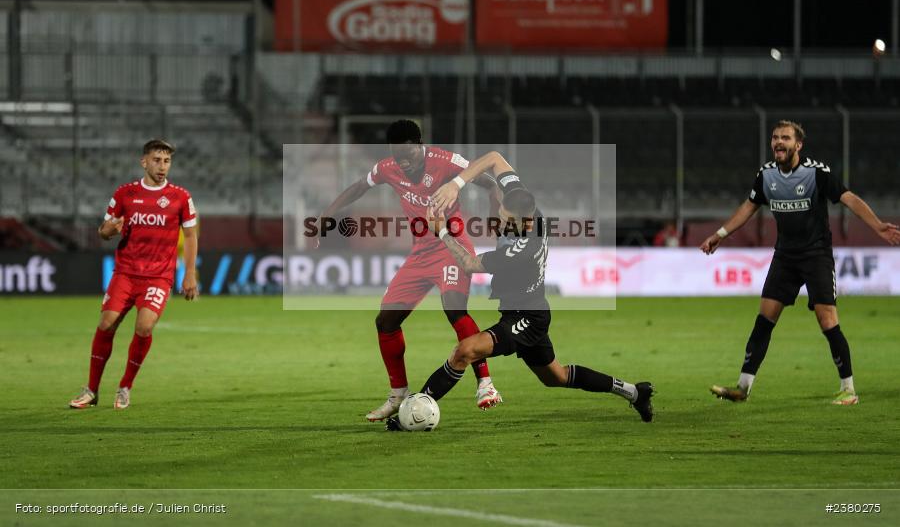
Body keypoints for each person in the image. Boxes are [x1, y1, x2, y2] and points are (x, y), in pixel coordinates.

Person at [388, 151, 655, 430]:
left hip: (525, 317)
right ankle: (635, 392)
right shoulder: (522, 201)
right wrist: (457, 184)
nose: (501, 223)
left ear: (526, 223)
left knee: (465, 351)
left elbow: (468, 264)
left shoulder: (521, 251)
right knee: (557, 377)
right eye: (502, 215)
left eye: (507, 221)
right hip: (530, 310)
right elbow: (494, 158)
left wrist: (442, 231)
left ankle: (412, 414)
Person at [313, 120, 503, 421]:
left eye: (409, 156)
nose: (404, 163)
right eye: (398, 156)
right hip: (421, 253)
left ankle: (485, 384)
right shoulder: (388, 168)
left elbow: (489, 181)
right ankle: (398, 394)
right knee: (385, 321)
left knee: (455, 309)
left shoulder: (446, 161)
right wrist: (327, 214)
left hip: (451, 245)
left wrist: (494, 207)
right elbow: (359, 186)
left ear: (420, 146)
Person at [700, 120, 900, 405]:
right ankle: (742, 388)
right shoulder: (766, 175)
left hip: (816, 255)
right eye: (775, 137)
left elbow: (849, 199)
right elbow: (749, 206)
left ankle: (849, 389)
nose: (778, 142)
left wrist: (878, 226)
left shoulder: (816, 173)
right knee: (764, 319)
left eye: (785, 137)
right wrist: (719, 234)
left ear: (798, 144)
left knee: (827, 320)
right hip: (785, 256)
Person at [69, 139, 199, 410]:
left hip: (159, 276)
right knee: (106, 324)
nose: (162, 166)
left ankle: (125, 387)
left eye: (167, 161)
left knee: (144, 327)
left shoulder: (180, 197)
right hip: (126, 273)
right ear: (144, 162)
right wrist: (109, 230)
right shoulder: (125, 193)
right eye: (157, 160)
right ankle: (91, 390)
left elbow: (190, 235)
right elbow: (103, 230)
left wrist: (189, 274)